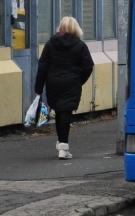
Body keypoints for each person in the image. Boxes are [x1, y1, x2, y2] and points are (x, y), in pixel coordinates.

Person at [34, 17, 94, 160]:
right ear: (76, 28)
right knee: (66, 111)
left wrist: (38, 88)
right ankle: (63, 146)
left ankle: (62, 145)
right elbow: (88, 66)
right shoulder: (80, 45)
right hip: (72, 82)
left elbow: (42, 66)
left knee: (59, 111)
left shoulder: (50, 44)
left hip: (53, 82)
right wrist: (80, 79)